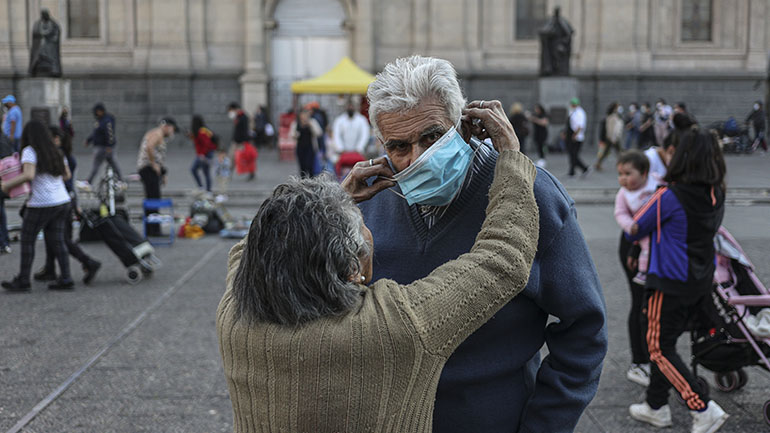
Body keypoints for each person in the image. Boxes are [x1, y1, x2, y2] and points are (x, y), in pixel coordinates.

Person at [217, 107, 540, 431]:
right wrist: (511, 159)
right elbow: (502, 258)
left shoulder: (234, 314)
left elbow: (252, 248)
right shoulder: (395, 325)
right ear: (355, 270)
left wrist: (334, 201)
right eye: (362, 223)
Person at [346, 55, 607, 433]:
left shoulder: (534, 196)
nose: (420, 158)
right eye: (400, 146)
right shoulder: (368, 201)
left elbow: (585, 328)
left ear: (465, 126)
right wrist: (335, 211)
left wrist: (544, 425)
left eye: (433, 136)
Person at [628, 128, 730, 433]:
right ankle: (655, 406)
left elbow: (636, 226)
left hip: (668, 282)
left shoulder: (669, 196)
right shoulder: (716, 192)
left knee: (657, 349)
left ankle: (701, 406)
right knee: (668, 344)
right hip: (699, 282)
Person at [1, 120, 73, 291]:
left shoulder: (30, 151)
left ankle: (23, 281)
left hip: (41, 202)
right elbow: (67, 175)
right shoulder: (55, 150)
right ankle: (66, 278)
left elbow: (29, 175)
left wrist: (6, 185)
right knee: (58, 241)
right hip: (62, 200)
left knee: (27, 239)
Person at [34, 126, 101, 285]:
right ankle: (50, 268)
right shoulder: (65, 155)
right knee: (52, 235)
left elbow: (67, 181)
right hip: (64, 200)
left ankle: (89, 262)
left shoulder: (60, 156)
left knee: (61, 239)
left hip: (60, 201)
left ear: (57, 139)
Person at [614, 150, 657, 387]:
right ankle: (639, 360)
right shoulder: (624, 195)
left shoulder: (656, 185)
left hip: (655, 250)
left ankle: (654, 354)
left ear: (644, 173)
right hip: (632, 246)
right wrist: (632, 227)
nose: (623, 179)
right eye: (620, 174)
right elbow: (620, 214)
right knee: (639, 303)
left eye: (628, 174)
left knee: (652, 306)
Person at [137, 117, 176, 236]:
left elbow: (159, 156)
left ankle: (151, 229)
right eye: (172, 129)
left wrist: (162, 173)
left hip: (149, 170)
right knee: (154, 200)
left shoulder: (155, 133)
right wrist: (154, 164)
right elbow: (150, 147)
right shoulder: (157, 133)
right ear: (167, 126)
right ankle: (154, 230)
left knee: (152, 198)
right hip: (148, 169)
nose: (172, 133)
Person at [85, 102, 122, 185]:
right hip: (100, 147)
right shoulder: (100, 120)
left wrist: (109, 146)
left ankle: (120, 180)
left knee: (102, 165)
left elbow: (110, 133)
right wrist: (89, 140)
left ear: (100, 111)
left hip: (104, 147)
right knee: (110, 164)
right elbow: (96, 133)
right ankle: (120, 180)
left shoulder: (107, 120)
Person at [331, 100, 370, 176]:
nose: (350, 108)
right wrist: (341, 148)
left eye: (352, 106)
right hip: (343, 152)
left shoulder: (361, 120)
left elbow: (364, 135)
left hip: (358, 151)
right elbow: (336, 135)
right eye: (349, 106)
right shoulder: (339, 120)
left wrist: (359, 148)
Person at [228, 102, 256, 181]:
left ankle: (252, 173)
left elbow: (245, 130)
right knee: (231, 158)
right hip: (236, 141)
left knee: (246, 158)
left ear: (234, 109)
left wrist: (245, 142)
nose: (230, 112)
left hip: (242, 142)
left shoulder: (243, 117)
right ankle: (228, 174)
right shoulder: (237, 117)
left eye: (230, 110)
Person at [291, 109, 323, 178]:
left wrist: (310, 125)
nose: (304, 117)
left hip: (310, 147)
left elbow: (319, 133)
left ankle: (311, 181)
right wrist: (296, 135)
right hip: (300, 147)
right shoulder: (296, 124)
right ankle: (303, 182)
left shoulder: (312, 122)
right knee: (302, 166)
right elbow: (291, 134)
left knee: (309, 165)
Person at [189, 115, 216, 191]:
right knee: (194, 169)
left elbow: (206, 144)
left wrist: (202, 155)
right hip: (203, 154)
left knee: (205, 172)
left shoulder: (201, 132)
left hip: (205, 154)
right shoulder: (202, 130)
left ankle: (208, 191)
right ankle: (202, 188)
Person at [595, 102, 624, 171]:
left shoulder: (616, 116)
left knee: (607, 151)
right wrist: (612, 138)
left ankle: (598, 164)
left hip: (614, 137)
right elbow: (610, 129)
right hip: (612, 138)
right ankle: (622, 165)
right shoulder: (612, 117)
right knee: (619, 152)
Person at [565, 97, 589, 176]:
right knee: (572, 155)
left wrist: (575, 135)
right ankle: (572, 171)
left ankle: (584, 168)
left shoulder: (580, 113)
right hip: (572, 135)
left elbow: (580, 126)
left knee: (574, 155)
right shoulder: (573, 111)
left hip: (577, 137)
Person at [527, 103, 549, 167]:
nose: (536, 110)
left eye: (537, 109)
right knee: (538, 146)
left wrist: (534, 119)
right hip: (537, 133)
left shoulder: (543, 115)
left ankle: (543, 159)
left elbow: (544, 123)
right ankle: (540, 158)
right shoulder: (536, 115)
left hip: (542, 134)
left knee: (542, 146)